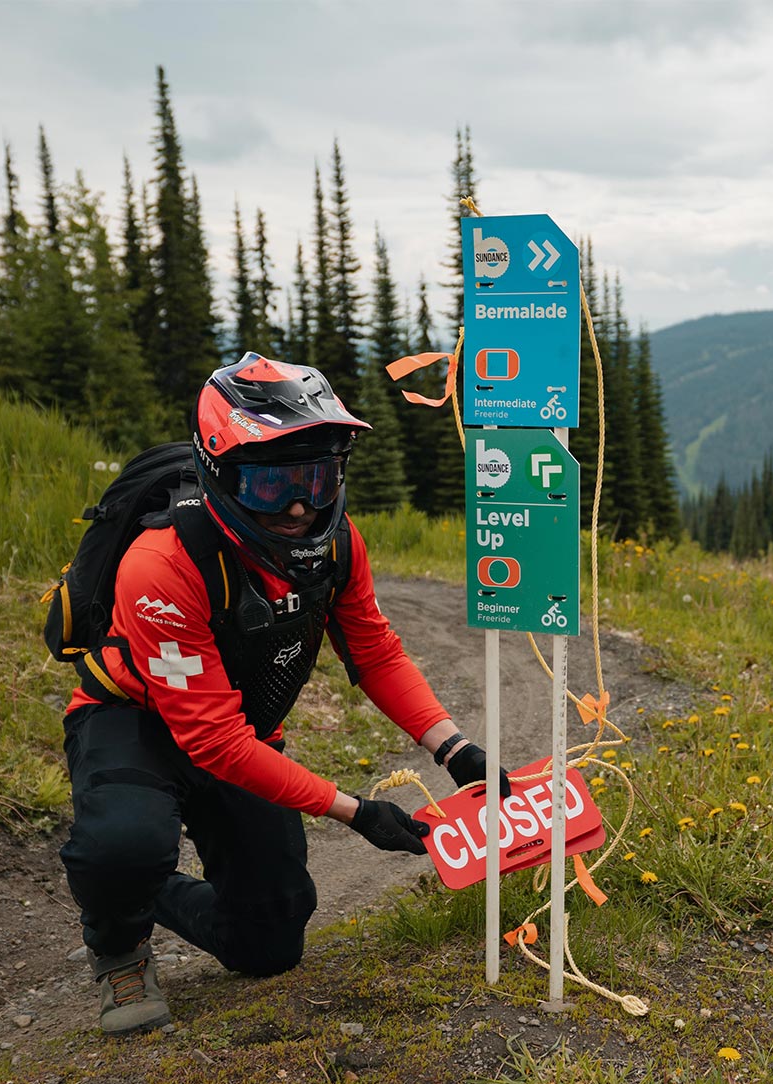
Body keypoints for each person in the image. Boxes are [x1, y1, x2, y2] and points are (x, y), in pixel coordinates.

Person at [58, 352, 507, 1035]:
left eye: (317, 479)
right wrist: (357, 812)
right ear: (221, 475)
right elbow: (209, 740)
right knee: (123, 844)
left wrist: (455, 748)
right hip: (135, 722)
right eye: (272, 486)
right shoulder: (161, 565)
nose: (300, 505)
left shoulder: (337, 543)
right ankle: (117, 939)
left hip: (242, 728)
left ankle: (147, 894)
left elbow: (376, 651)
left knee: (268, 946)